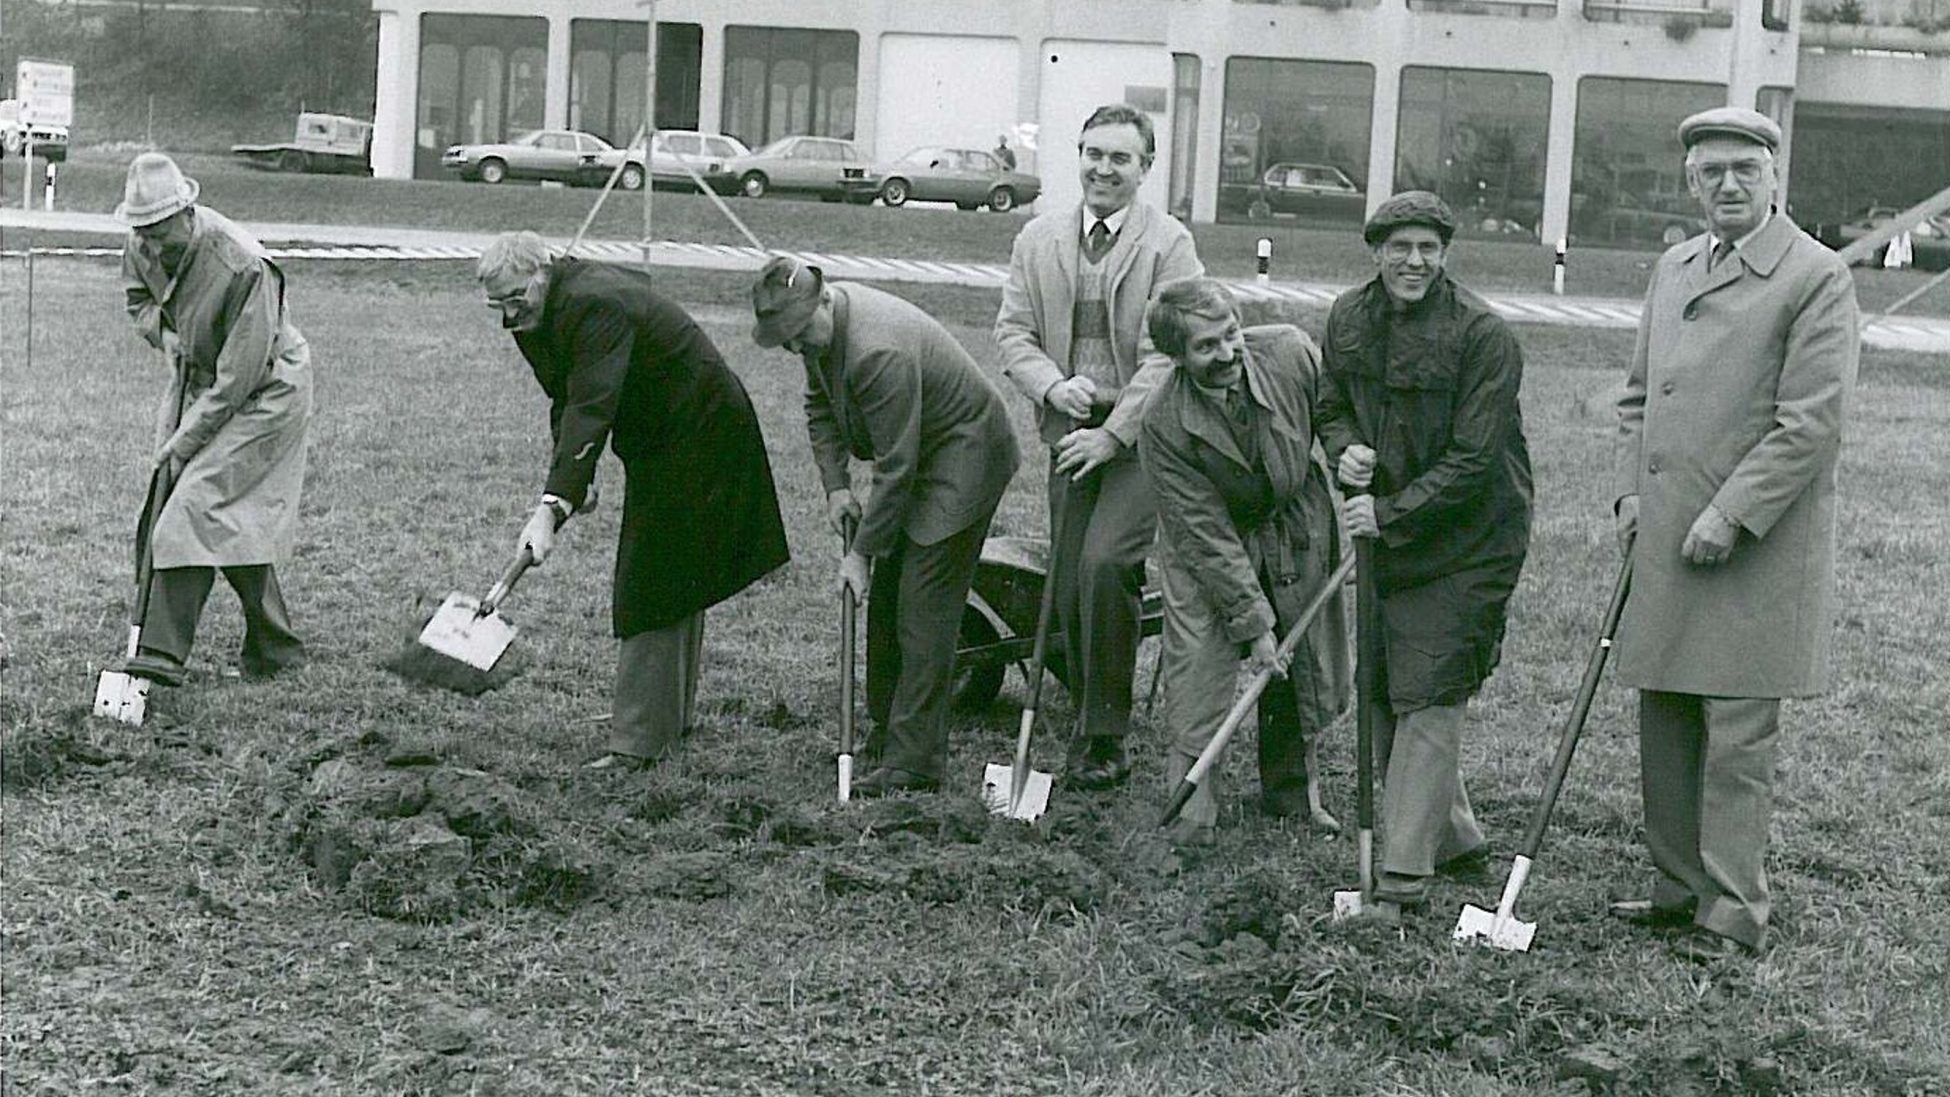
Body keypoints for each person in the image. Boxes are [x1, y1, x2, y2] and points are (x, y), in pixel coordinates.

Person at [1610, 107, 1860, 962]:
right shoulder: (1675, 266)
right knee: (1666, 710)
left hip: (1754, 545)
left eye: (1743, 171)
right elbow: (1639, 400)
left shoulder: (1815, 276)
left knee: (1737, 733)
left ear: (1773, 176)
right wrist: (1628, 498)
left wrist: (1731, 512)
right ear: (1689, 182)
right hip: (1668, 533)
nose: (1726, 185)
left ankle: (1734, 906)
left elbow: (1809, 423)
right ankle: (1677, 886)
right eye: (1710, 172)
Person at [477, 231, 789, 769]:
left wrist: (552, 505)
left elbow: (594, 404)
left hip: (700, 429)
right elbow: (570, 395)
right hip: (663, 435)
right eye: (496, 305)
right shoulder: (539, 309)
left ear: (543, 272)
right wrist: (576, 477)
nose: (508, 315)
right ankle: (662, 717)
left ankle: (640, 743)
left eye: (515, 299)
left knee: (652, 582)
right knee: (671, 576)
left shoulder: (593, 302)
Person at [1316, 190, 1533, 910]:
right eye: (1400, 247)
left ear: (1444, 255)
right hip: (1391, 529)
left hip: (1472, 537)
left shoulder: (1484, 336)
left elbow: (1475, 461)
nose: (1414, 261)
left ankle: (1401, 877)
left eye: (1428, 248)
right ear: (1376, 250)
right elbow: (1330, 404)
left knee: (1431, 689)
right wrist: (1344, 450)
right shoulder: (1348, 316)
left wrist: (1388, 512)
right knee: (1383, 685)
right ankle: (1455, 835)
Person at [752, 258, 1020, 795]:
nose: (796, 347)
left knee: (924, 604)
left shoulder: (878, 351)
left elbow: (897, 468)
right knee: (889, 596)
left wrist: (860, 555)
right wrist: (835, 487)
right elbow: (819, 407)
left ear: (824, 300)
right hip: (920, 451)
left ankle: (915, 762)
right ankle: (888, 728)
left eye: (801, 333)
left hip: (964, 454)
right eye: (786, 340)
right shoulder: (819, 336)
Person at [994, 103, 1204, 789]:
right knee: (1068, 572)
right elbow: (1013, 335)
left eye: (1120, 158)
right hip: (1068, 433)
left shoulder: (1169, 245)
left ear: (1145, 168)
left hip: (1146, 440)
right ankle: (1086, 697)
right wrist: (1056, 391)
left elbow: (1169, 355)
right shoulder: (1038, 239)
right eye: (1093, 153)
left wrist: (1113, 433)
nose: (1103, 169)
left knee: (1107, 564)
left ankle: (1103, 735)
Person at [1137, 277, 1350, 842]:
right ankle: (1192, 811)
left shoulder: (1288, 350)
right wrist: (1254, 624)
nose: (1227, 353)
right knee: (1199, 669)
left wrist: (1352, 466)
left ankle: (1292, 795)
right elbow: (1204, 536)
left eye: (1230, 334)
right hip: (1208, 546)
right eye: (1206, 347)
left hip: (1294, 522)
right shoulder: (1162, 423)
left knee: (1297, 661)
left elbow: (1332, 417)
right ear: (1177, 357)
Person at [117, 152, 312, 687]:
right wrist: (164, 332)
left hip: (267, 390)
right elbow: (137, 301)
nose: (152, 245)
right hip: (199, 377)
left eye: (160, 231)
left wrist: (182, 444)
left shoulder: (242, 265)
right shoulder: (141, 243)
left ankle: (159, 656)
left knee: (195, 503)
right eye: (143, 232)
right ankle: (278, 649)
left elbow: (237, 382)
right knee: (223, 513)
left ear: (188, 212)